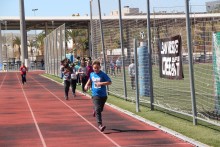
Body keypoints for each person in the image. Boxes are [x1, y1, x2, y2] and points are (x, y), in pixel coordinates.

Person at [84, 60, 112, 132]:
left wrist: (101, 83)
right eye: (94, 68)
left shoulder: (103, 74)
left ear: (100, 67)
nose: (95, 69)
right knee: (98, 109)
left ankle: (95, 110)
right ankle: (100, 125)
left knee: (100, 109)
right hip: (95, 95)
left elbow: (109, 82)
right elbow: (90, 80)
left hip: (103, 95)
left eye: (97, 68)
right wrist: (87, 85)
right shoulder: (92, 74)